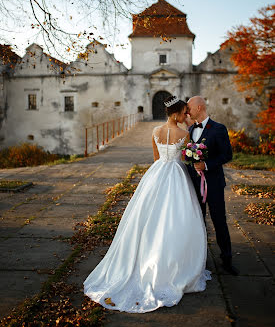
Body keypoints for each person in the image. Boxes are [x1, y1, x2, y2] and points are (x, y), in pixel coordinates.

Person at [84, 96, 211, 313]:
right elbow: (187, 158)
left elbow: (156, 158)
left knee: (147, 216)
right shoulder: (185, 133)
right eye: (182, 113)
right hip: (177, 175)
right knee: (176, 218)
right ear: (175, 114)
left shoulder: (155, 132)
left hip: (157, 173)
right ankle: (174, 264)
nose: (184, 116)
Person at [187, 96, 239, 275]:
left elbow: (227, 155)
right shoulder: (189, 129)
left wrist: (207, 165)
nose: (187, 111)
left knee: (219, 222)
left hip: (214, 184)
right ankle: (198, 261)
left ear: (199, 107)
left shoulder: (218, 129)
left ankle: (227, 259)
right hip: (194, 184)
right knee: (197, 222)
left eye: (189, 108)